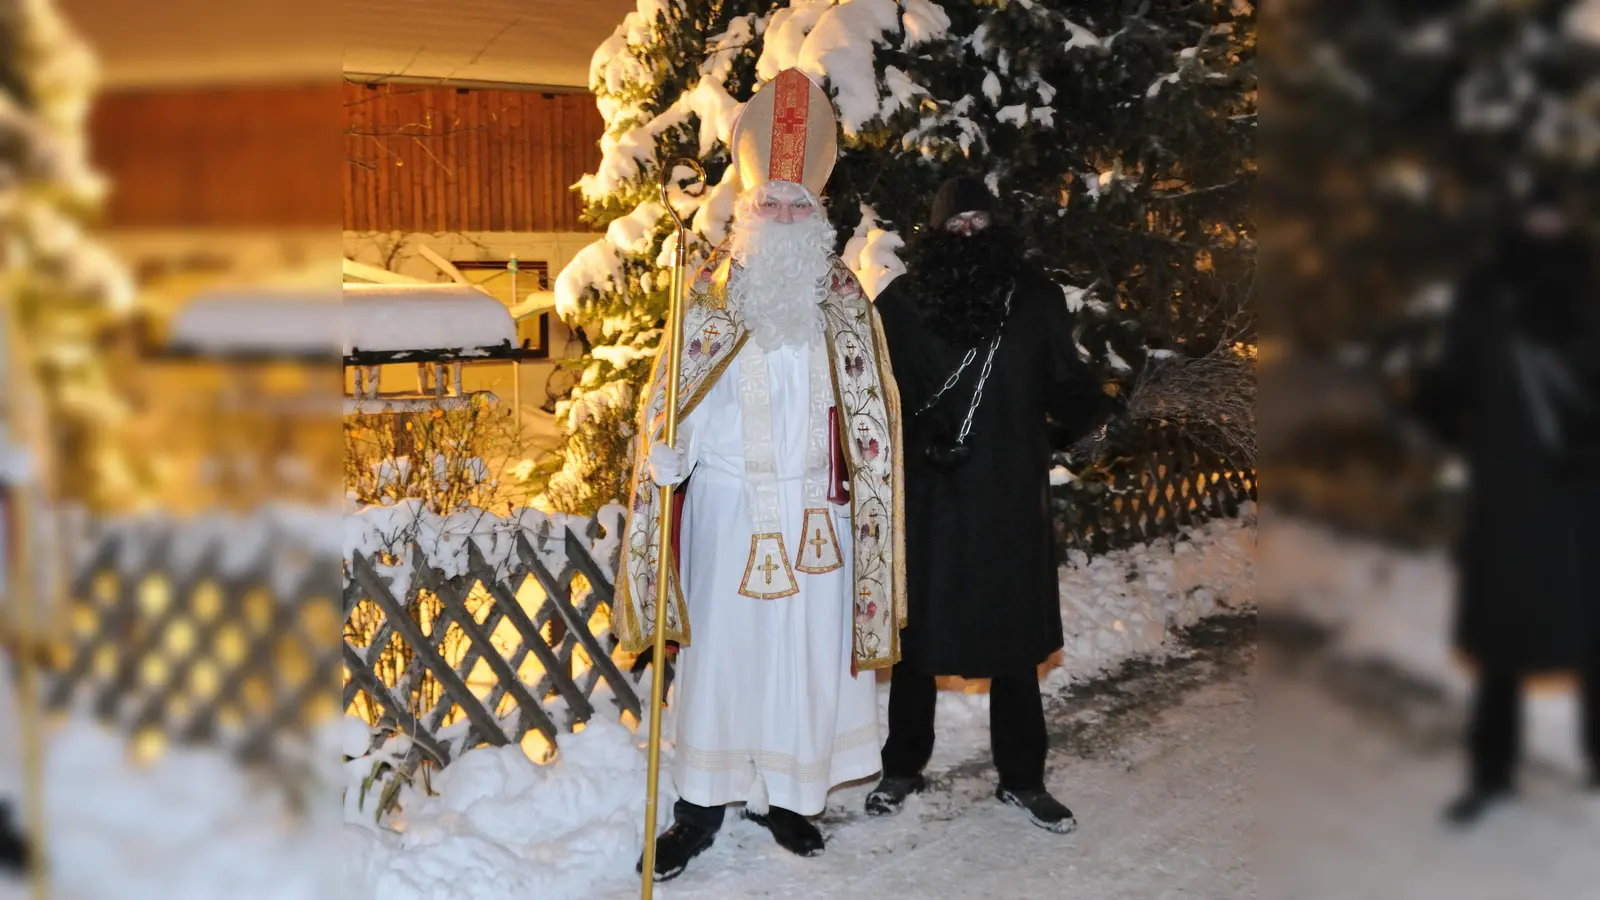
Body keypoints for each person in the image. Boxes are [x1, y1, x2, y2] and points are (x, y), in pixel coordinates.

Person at [613, 68, 906, 881]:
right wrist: (666, 455)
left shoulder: (845, 300)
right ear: (744, 213)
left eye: (795, 206)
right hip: (730, 512)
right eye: (767, 204)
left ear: (817, 219)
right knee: (722, 664)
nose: (781, 217)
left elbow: (872, 414)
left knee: (804, 659)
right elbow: (671, 398)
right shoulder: (705, 296)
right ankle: (699, 808)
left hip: (819, 523)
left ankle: (788, 797)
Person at [866, 176, 1120, 833]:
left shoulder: (1034, 299)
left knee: (1013, 642)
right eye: (956, 225)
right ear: (936, 234)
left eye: (978, 220)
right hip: (930, 495)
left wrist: (1094, 415)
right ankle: (902, 766)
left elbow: (1065, 380)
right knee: (917, 640)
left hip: (1008, 492)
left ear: (997, 223)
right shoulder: (900, 303)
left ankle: (1024, 777)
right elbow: (877, 400)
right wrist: (912, 447)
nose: (968, 234)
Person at [1412, 183, 1600, 826]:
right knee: (1502, 636)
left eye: (1555, 212)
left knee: (1594, 629)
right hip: (1510, 491)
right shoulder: (1488, 290)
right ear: (1521, 218)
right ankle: (1493, 774)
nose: (1546, 222)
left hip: (1583, 492)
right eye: (1537, 212)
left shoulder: (1590, 282)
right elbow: (1456, 377)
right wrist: (1434, 410)